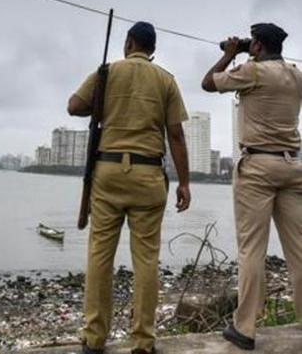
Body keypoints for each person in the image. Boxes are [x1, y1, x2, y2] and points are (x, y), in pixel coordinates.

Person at [68, 21, 191, 354]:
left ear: (129, 43)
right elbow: (176, 135)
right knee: (147, 260)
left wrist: (106, 105)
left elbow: (74, 106)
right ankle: (143, 340)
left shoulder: (108, 73)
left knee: (99, 256)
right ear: (151, 49)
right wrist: (185, 182)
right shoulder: (165, 79)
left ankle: (94, 337)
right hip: (149, 176)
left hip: (108, 173)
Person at [202, 23, 302, 351]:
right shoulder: (296, 74)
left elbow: (207, 83)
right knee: (299, 251)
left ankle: (245, 328)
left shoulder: (252, 72)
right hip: (292, 167)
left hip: (258, 167)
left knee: (251, 250)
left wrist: (230, 54)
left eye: (252, 44)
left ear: (256, 45)